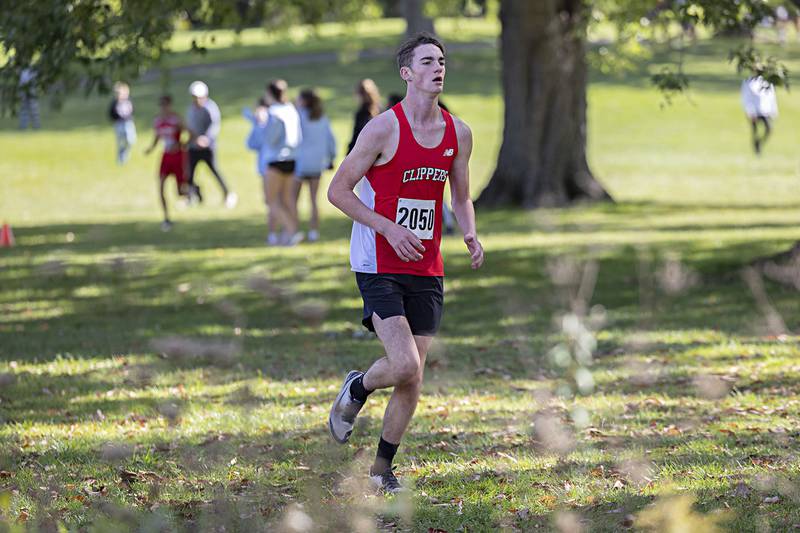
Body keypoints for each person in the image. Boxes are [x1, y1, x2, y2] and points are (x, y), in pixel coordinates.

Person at [327, 33, 484, 494]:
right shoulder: (382, 129)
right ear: (407, 73)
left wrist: (469, 230)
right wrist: (388, 227)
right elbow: (337, 190)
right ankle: (357, 388)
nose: (438, 68)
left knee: (412, 376)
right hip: (378, 259)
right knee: (405, 364)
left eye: (442, 61)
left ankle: (380, 469)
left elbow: (460, 195)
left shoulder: (459, 132)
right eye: (428, 61)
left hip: (427, 264)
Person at [250, 79, 302, 246]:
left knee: (271, 201)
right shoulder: (291, 109)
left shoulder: (273, 112)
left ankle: (292, 231)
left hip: (275, 161)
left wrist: (260, 123)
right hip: (292, 159)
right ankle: (290, 234)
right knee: (287, 200)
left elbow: (270, 140)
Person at [293, 88, 337, 242]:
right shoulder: (322, 118)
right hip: (317, 164)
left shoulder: (299, 116)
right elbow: (331, 141)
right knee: (313, 200)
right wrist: (331, 158)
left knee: (293, 200)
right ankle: (313, 231)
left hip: (300, 164)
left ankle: (294, 230)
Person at [186, 80, 237, 208]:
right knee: (190, 173)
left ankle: (228, 194)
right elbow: (190, 127)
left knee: (214, 170)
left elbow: (214, 126)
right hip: (193, 146)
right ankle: (192, 196)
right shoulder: (191, 109)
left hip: (208, 147)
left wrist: (205, 139)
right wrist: (192, 140)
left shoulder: (210, 108)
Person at [144, 95, 188, 232]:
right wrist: (151, 148)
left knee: (180, 191)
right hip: (166, 156)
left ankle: (193, 189)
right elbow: (157, 137)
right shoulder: (158, 121)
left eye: (166, 105)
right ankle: (166, 218)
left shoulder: (176, 119)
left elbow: (189, 133)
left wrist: (182, 144)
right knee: (161, 186)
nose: (164, 108)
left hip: (178, 156)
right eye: (162, 105)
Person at [244, 97, 279, 241]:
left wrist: (256, 124)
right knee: (277, 200)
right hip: (276, 164)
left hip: (268, 166)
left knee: (271, 201)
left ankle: (275, 233)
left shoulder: (267, 121)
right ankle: (281, 232)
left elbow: (251, 143)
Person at [741, 75, 778, 155]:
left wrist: (773, 110)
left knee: (769, 129)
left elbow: (772, 96)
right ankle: (756, 149)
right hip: (754, 111)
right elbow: (746, 97)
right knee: (755, 131)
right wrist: (750, 111)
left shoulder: (767, 80)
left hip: (765, 110)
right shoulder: (748, 81)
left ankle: (759, 143)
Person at [347, 79, 382, 154]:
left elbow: (356, 137)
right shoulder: (381, 110)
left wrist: (348, 154)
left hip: (365, 154)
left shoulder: (362, 114)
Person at [109, 82, 136, 164]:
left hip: (128, 123)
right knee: (120, 142)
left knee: (131, 140)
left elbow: (132, 110)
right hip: (119, 124)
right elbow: (111, 113)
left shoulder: (128, 101)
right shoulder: (114, 103)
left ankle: (124, 153)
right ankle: (120, 159)